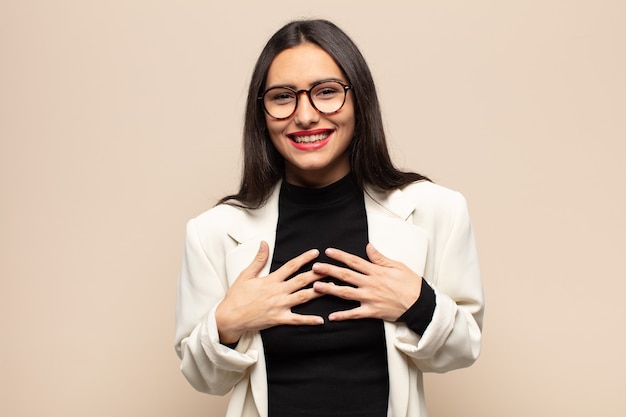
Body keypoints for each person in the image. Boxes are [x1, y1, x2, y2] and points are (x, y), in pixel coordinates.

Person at [175, 19, 484, 417]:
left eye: (326, 92)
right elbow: (203, 379)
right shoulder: (212, 232)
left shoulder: (435, 211)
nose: (305, 116)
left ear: (359, 101)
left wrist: (417, 302)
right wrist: (227, 324)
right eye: (283, 96)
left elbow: (464, 348)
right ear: (262, 112)